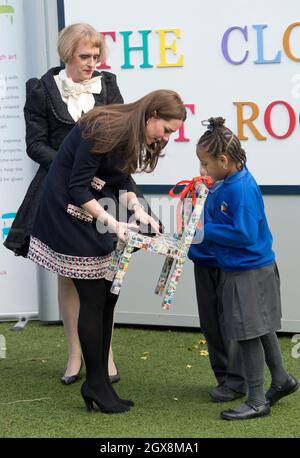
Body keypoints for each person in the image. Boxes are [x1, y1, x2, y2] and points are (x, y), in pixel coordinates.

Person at [26, 89, 186, 413]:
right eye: (167, 129)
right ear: (152, 115)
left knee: (108, 294)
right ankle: (96, 384)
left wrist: (138, 212)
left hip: (94, 211)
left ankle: (97, 383)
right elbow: (77, 186)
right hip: (68, 211)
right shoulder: (102, 126)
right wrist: (115, 224)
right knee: (95, 297)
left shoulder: (129, 130)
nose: (167, 137)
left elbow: (120, 177)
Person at [3, 23, 140, 384]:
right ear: (67, 54)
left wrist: (103, 178)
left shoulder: (108, 86)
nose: (92, 63)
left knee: (105, 273)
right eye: (84, 57)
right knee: (69, 274)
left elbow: (123, 137)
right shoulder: (42, 89)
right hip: (59, 189)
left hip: (105, 187)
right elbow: (35, 144)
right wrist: (69, 169)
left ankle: (104, 355)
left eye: (96, 56)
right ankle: (75, 357)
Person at [196, 117, 298, 420]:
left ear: (224, 160)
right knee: (259, 326)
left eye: (206, 163)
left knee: (248, 333)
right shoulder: (230, 181)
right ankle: (281, 379)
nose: (203, 170)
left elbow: (244, 234)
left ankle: (256, 400)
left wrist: (204, 230)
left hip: (248, 271)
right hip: (249, 268)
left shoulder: (239, 189)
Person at [188, 168, 246, 402]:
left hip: (226, 263)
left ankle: (237, 380)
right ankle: (223, 378)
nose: (203, 169)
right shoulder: (196, 190)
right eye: (200, 163)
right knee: (210, 323)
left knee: (230, 322)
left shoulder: (233, 189)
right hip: (202, 261)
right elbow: (191, 225)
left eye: (207, 162)